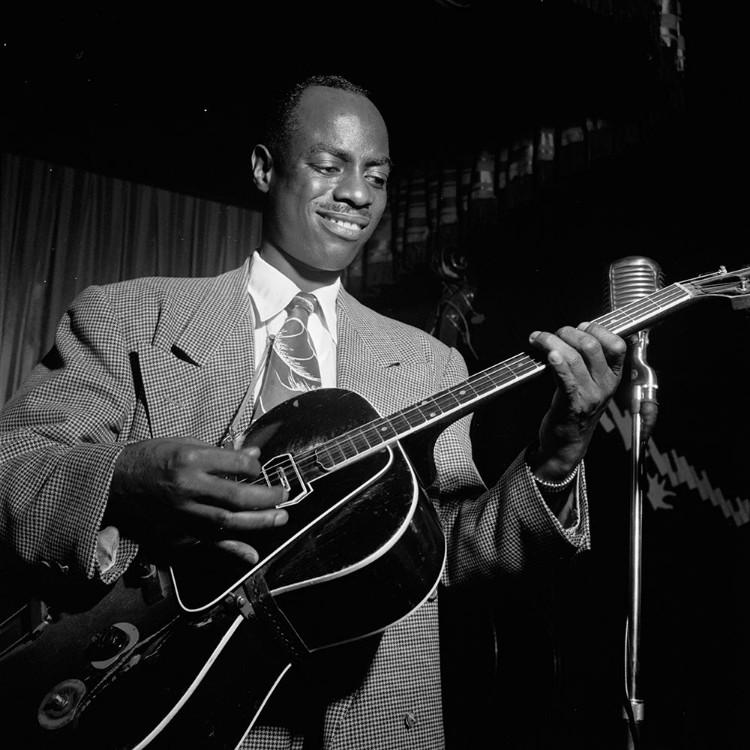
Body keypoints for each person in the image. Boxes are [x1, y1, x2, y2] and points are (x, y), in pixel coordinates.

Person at [0, 75, 626, 748]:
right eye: (330, 166)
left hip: (368, 724)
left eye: (378, 178)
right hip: (152, 706)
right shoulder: (129, 316)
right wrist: (127, 476)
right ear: (264, 168)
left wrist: (560, 453)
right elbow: (13, 471)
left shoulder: (428, 363)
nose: (357, 194)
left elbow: (451, 555)